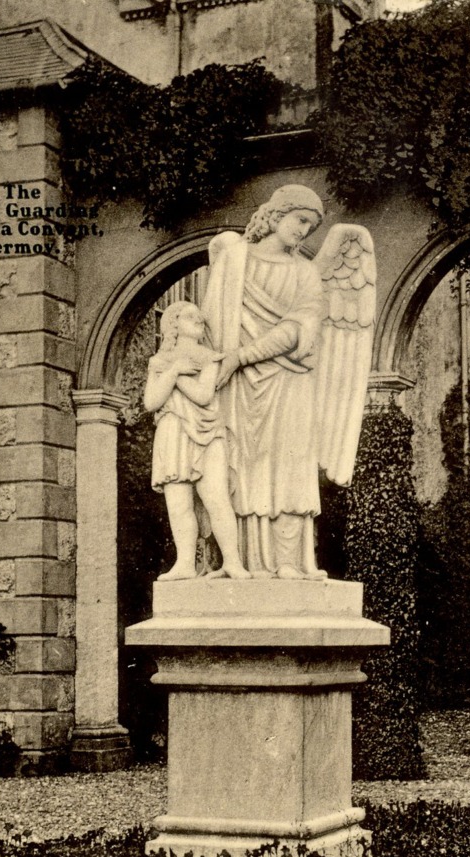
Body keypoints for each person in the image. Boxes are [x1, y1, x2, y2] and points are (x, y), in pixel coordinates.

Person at [202, 184, 328, 579]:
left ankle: (286, 562)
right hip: (237, 387)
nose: (304, 231)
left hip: (288, 383)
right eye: (300, 219)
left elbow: (299, 331)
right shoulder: (237, 260)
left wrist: (242, 355)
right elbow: (210, 323)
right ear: (276, 216)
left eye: (311, 225)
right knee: (239, 466)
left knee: (288, 465)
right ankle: (235, 560)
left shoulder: (306, 273)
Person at [143, 300, 250, 581]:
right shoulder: (158, 362)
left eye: (200, 318)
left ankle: (233, 562)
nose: (199, 319)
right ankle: (185, 563)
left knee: (216, 497)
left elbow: (204, 395)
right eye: (191, 316)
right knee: (178, 504)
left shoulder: (210, 358)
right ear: (174, 324)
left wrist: (175, 376)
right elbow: (152, 401)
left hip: (207, 432)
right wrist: (174, 369)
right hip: (172, 431)